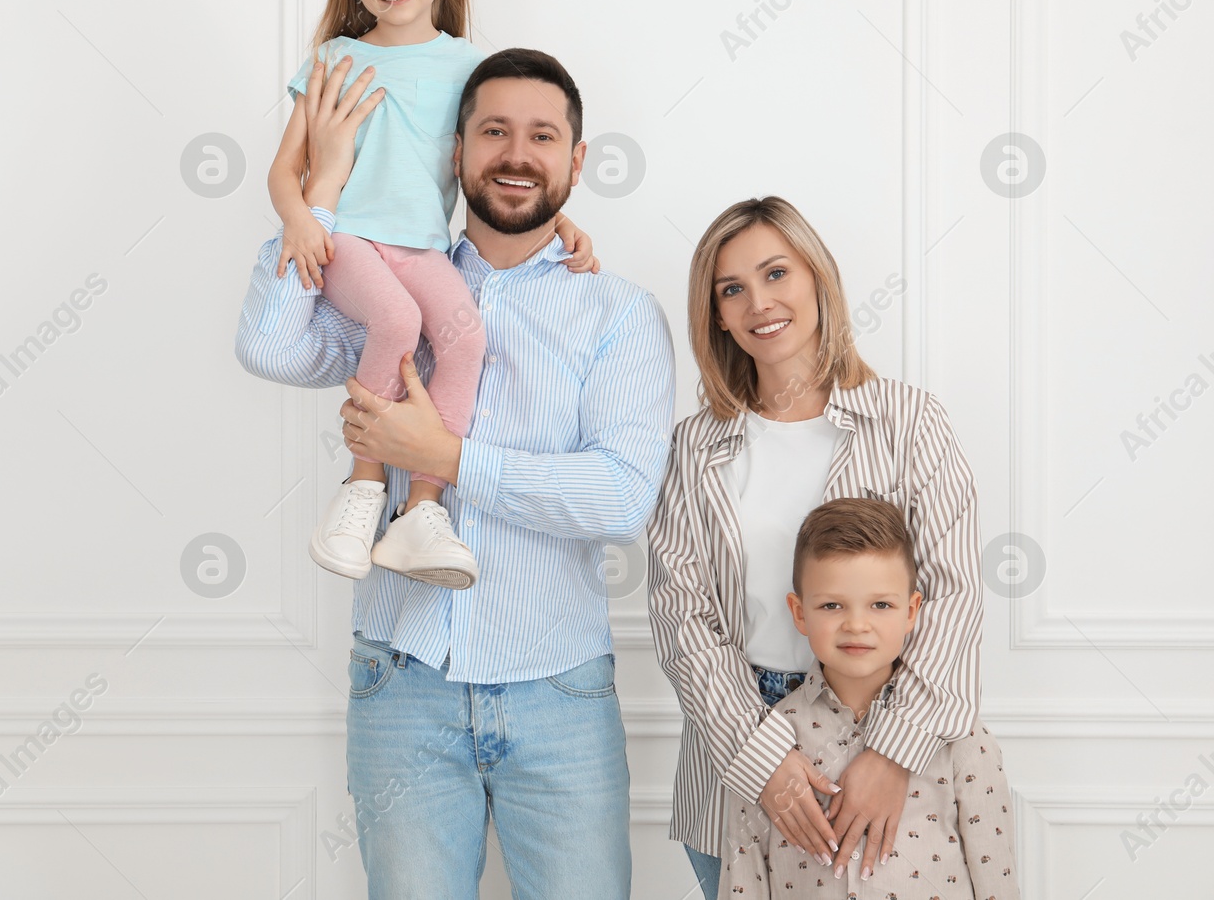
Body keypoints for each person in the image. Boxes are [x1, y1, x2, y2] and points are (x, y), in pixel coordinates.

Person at [234, 46, 675, 898]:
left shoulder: (617, 312)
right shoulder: (384, 288)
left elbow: (621, 497)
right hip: (403, 684)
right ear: (456, 152)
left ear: (576, 161)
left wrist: (448, 461)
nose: (517, 154)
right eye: (494, 132)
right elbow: (267, 344)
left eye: (543, 136)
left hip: (560, 694)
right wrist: (321, 188)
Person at [645, 196, 984, 899]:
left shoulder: (909, 422)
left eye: (776, 274)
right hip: (736, 742)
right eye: (730, 289)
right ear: (715, 314)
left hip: (886, 724)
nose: (758, 303)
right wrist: (763, 759)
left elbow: (953, 596)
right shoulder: (693, 447)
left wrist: (891, 751)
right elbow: (683, 620)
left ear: (817, 279)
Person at [268, 0, 595, 589]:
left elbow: (495, 164)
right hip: (350, 239)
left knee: (466, 338)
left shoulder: (464, 66)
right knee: (396, 317)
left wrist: (558, 218)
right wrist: (299, 217)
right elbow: (282, 169)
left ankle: (420, 508)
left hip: (418, 246)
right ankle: (361, 489)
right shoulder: (333, 58)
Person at [721, 497, 1018, 899]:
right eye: (832, 605)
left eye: (881, 604)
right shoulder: (766, 744)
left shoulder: (962, 740)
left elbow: (996, 878)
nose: (857, 624)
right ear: (799, 612)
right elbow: (744, 883)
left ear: (912, 610)